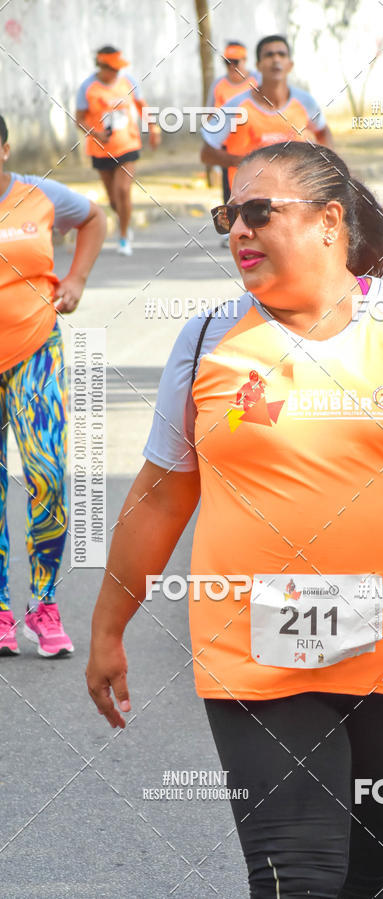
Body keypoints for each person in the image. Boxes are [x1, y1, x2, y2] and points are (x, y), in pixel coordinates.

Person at [86, 140, 383, 897]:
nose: (238, 230)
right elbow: (159, 496)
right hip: (251, 642)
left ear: (328, 221)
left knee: (377, 876)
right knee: (298, 872)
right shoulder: (207, 340)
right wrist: (109, 626)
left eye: (258, 211)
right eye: (228, 215)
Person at [0, 114, 106, 657]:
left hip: (35, 353)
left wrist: (77, 278)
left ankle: (44, 603)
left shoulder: (40, 196)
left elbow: (93, 218)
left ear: (5, 149)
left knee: (48, 478)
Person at [200, 34, 333, 194]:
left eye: (281, 54)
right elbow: (207, 152)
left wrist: (325, 168)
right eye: (269, 55)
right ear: (259, 65)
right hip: (249, 200)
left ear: (290, 65)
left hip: (293, 196)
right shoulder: (234, 104)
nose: (276, 59)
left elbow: (323, 131)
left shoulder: (305, 102)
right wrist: (244, 162)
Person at [75, 45, 160, 256]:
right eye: (112, 69)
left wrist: (153, 127)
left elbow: (141, 105)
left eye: (118, 68)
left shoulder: (128, 82)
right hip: (101, 149)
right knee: (114, 199)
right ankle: (125, 222)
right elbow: (79, 119)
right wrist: (96, 133)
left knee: (123, 190)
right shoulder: (88, 88)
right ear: (101, 66)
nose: (116, 73)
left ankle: (123, 237)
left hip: (127, 145)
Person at [206, 41, 259, 206]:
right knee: (231, 195)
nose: (231, 66)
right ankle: (232, 229)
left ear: (245, 60)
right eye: (227, 62)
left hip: (255, 146)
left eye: (235, 62)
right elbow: (211, 118)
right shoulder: (219, 85)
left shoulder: (258, 81)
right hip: (228, 149)